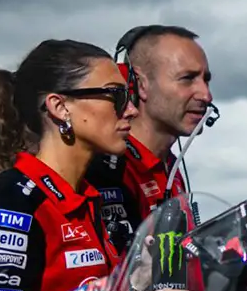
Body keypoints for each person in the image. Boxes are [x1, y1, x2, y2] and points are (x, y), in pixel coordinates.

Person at [0, 40, 181, 291]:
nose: (130, 110)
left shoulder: (98, 197)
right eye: (115, 96)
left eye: (129, 96)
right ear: (60, 108)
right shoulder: (15, 197)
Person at [88, 25, 214, 251]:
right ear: (139, 84)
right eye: (187, 79)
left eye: (206, 80)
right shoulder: (107, 169)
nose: (206, 95)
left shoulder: (170, 169)